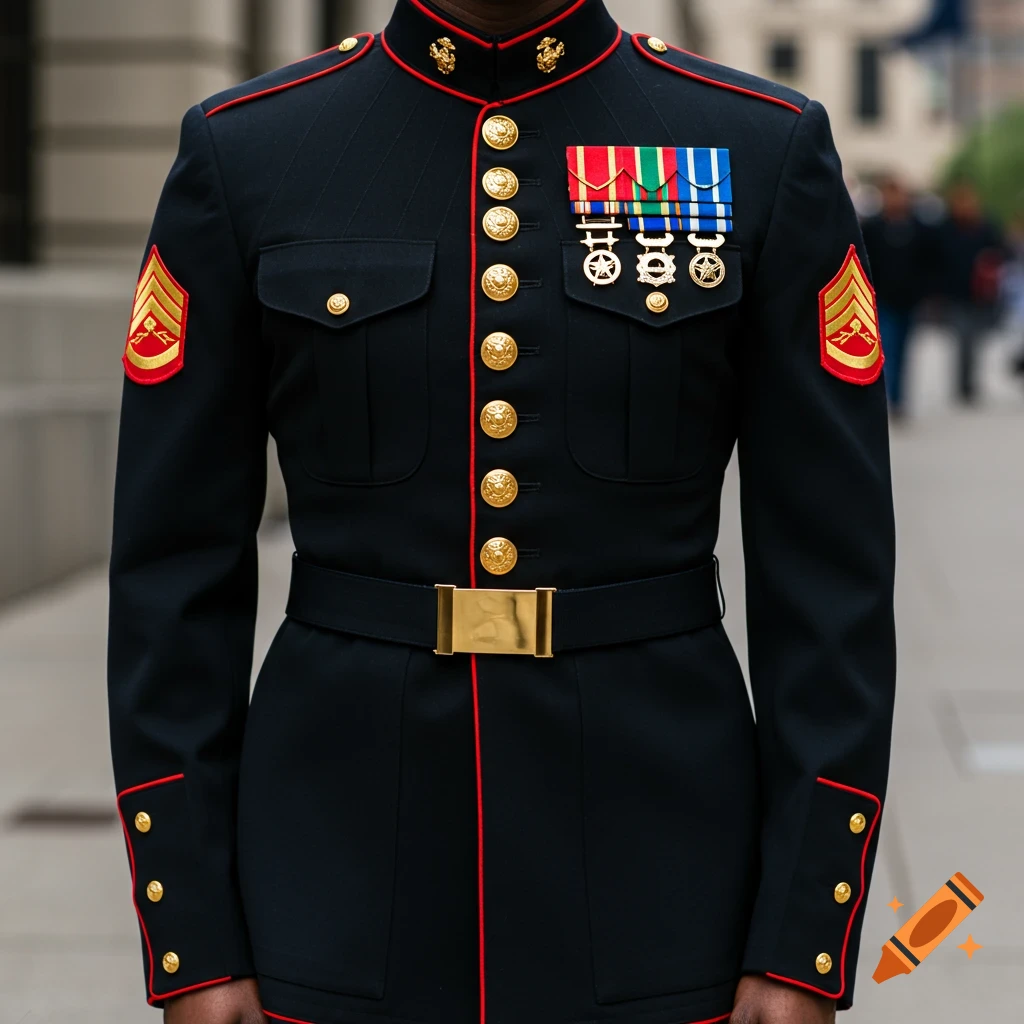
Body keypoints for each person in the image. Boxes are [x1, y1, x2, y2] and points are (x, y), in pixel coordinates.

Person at [106, 2, 897, 1024]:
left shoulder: (755, 147)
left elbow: (830, 583)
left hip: (662, 882)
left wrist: (801, 942)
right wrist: (195, 943)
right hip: (334, 882)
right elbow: (171, 579)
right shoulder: (251, 150)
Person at [860, 176, 931, 417]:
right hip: (882, 299)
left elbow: (929, 263)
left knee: (903, 350)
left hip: (909, 300)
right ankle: (886, 397)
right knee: (886, 348)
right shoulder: (872, 228)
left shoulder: (918, 228)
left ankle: (899, 398)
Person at [932, 179, 1006, 404]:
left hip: (980, 294)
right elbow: (935, 259)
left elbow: (1000, 252)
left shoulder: (985, 226)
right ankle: (963, 384)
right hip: (955, 293)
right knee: (963, 339)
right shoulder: (945, 228)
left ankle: (970, 382)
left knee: (975, 340)